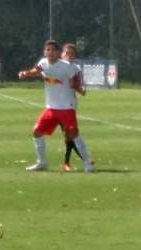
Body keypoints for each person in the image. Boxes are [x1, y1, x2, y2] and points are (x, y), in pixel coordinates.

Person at [17, 39, 93, 172]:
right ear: (44, 52)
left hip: (66, 106)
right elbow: (36, 70)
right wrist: (26, 73)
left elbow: (76, 78)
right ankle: (42, 162)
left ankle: (87, 163)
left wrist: (79, 88)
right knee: (37, 132)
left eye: (53, 50)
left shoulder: (66, 66)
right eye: (48, 50)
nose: (50, 52)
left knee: (73, 134)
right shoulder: (43, 63)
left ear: (58, 53)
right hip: (51, 107)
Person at [59, 42, 89, 172]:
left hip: (70, 105)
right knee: (69, 134)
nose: (69, 56)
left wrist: (76, 86)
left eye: (72, 54)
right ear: (62, 54)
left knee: (69, 134)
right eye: (67, 53)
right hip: (55, 105)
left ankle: (68, 162)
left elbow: (83, 91)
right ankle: (83, 159)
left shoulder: (76, 69)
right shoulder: (56, 66)